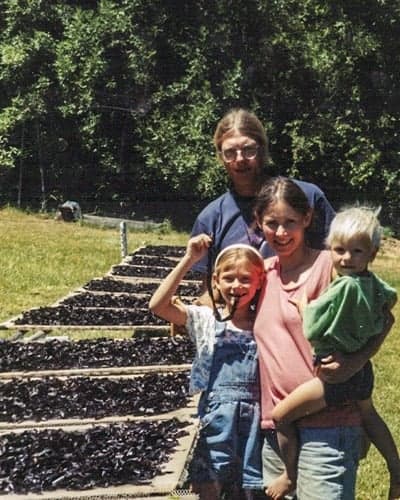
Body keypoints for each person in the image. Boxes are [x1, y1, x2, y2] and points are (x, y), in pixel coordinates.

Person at [252, 177, 395, 499]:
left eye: (291, 222)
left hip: (328, 426)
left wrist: (355, 361)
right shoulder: (261, 273)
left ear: (307, 219)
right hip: (276, 430)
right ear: (259, 222)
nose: (281, 232)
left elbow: (385, 317)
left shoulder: (331, 266)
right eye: (272, 223)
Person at [149, 234, 266, 499]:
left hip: (256, 425)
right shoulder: (205, 321)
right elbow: (158, 306)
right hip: (215, 421)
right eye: (229, 278)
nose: (237, 285)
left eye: (246, 278)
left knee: (251, 489)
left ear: (259, 282)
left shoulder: (265, 321)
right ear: (216, 280)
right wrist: (190, 258)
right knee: (209, 487)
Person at [190, 108, 335, 281]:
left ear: (262, 150)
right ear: (220, 157)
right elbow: (211, 288)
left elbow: (338, 260)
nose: (240, 159)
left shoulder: (308, 197)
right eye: (230, 152)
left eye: (248, 149)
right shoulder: (211, 219)